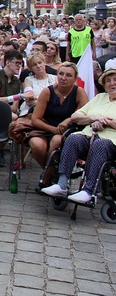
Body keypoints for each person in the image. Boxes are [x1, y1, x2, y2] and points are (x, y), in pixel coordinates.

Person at [41, 67, 116, 204]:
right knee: (73, 137)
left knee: (100, 144)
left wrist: (107, 122)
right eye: (108, 81)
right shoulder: (100, 98)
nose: (112, 83)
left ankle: (89, 191)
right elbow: (76, 116)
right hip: (89, 136)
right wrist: (93, 118)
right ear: (104, 85)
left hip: (111, 142)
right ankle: (61, 184)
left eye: (115, 80)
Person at [29, 62, 88, 168]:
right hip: (45, 127)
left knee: (57, 141)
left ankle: (46, 178)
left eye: (68, 75)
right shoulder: (47, 91)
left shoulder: (79, 92)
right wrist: (53, 129)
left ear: (75, 79)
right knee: (36, 144)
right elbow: (35, 119)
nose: (63, 78)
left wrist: (69, 120)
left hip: (66, 129)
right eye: (61, 74)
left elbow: (86, 114)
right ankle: (49, 173)